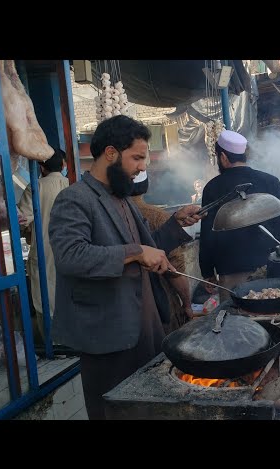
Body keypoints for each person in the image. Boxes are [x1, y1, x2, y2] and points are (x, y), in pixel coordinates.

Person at [48, 115, 203, 420]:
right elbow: (71, 255)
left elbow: (149, 248)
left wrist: (175, 223)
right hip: (108, 335)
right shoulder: (74, 199)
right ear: (110, 153)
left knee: (149, 408)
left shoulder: (122, 197)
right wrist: (134, 252)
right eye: (137, 157)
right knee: (116, 412)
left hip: (146, 327)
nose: (143, 167)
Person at [199, 130, 280, 303]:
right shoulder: (270, 181)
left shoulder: (212, 188)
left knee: (236, 319)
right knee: (273, 312)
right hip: (270, 265)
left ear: (224, 158)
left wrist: (207, 272)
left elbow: (207, 234)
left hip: (230, 269)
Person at [17, 147, 69, 344]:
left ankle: (53, 344)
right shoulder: (73, 184)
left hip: (44, 251)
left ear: (41, 167)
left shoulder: (36, 186)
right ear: (63, 165)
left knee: (45, 300)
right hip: (71, 249)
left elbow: (21, 219)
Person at [131, 171, 195, 331]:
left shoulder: (113, 213)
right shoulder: (158, 216)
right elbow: (175, 270)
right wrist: (187, 304)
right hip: (160, 306)